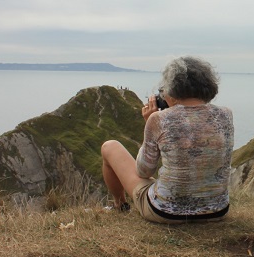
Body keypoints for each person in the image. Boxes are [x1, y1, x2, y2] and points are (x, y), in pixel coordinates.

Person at [100, 56, 234, 223]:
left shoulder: (159, 119)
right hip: (218, 210)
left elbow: (144, 171)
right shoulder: (226, 115)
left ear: (173, 89)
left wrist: (149, 123)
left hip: (166, 213)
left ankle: (120, 205)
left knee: (109, 146)